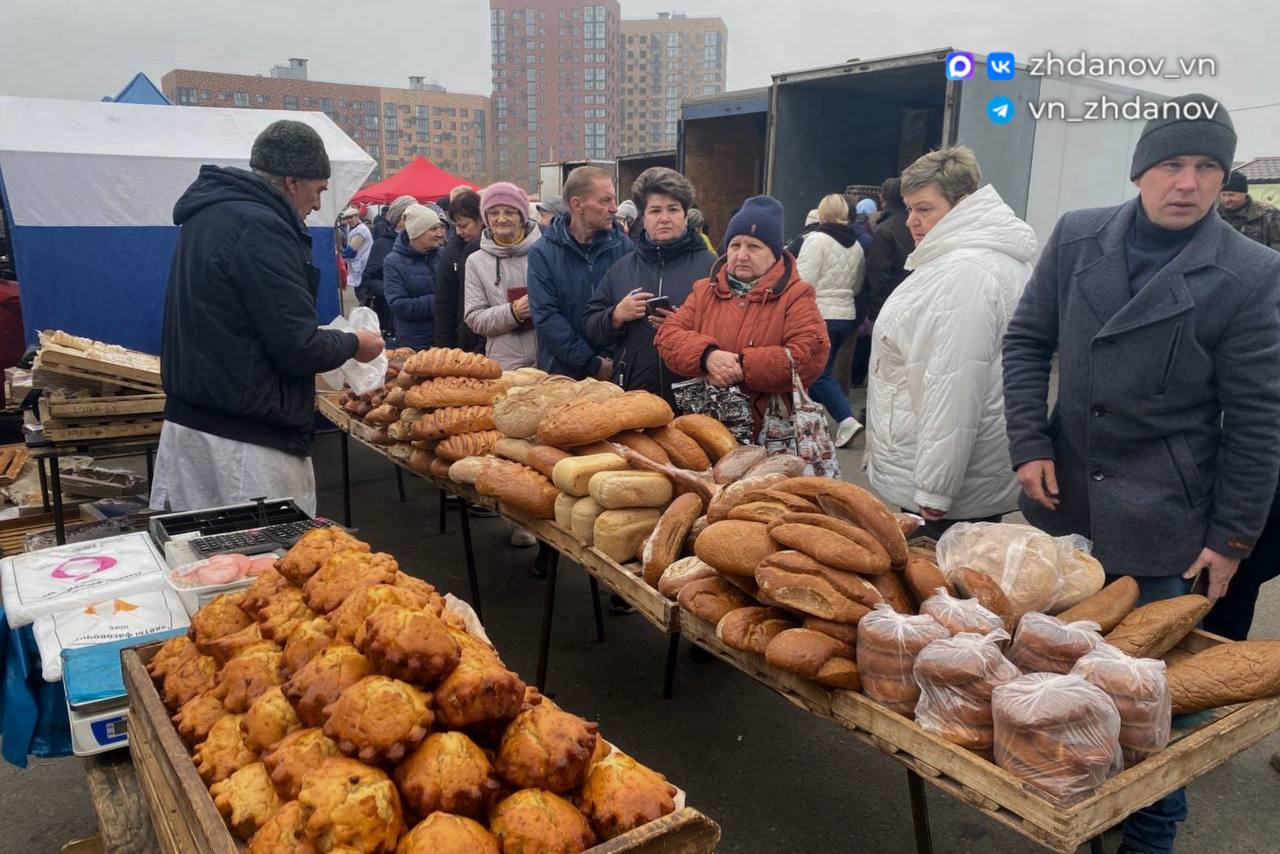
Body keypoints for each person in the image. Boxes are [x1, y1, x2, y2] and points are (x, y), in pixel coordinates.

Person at [1002, 94, 1280, 853]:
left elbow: (1258, 418)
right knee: (1054, 673)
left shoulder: (1251, 272)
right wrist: (1029, 442)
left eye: (1206, 167)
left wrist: (1232, 538)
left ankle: (1150, 833)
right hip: (1066, 504)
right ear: (1139, 172)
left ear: (1224, 177)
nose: (1187, 182)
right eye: (1171, 164)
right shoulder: (1077, 236)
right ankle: (1064, 802)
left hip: (1164, 520)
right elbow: (1026, 341)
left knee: (1145, 700)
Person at [152, 119, 384, 515]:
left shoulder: (209, 215)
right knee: (266, 552)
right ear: (292, 182)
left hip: (197, 426)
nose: (317, 205)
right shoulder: (261, 227)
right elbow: (298, 348)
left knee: (203, 551)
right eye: (319, 190)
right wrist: (353, 343)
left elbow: (241, 320)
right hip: (244, 445)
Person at [866, 146, 1036, 540]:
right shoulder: (978, 259)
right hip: (965, 470)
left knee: (937, 574)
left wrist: (935, 488)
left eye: (924, 209)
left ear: (961, 205)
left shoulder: (966, 272)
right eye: (909, 209)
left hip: (948, 487)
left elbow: (952, 384)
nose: (912, 221)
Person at [655, 195, 829, 436]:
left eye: (754, 247)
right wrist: (707, 356)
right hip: (709, 430)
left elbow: (809, 356)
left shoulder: (796, 296)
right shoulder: (704, 290)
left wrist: (742, 366)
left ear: (774, 253)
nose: (742, 255)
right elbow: (668, 335)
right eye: (735, 245)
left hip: (769, 435)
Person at [584, 167, 716, 403]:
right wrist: (616, 315)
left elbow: (731, 329)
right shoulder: (621, 269)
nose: (664, 218)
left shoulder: (711, 268)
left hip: (696, 398)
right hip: (636, 397)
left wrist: (683, 327)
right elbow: (591, 329)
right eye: (655, 210)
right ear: (643, 218)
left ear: (686, 215)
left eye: (673, 209)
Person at [527, 166, 632, 379]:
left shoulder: (624, 247)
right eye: (605, 201)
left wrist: (610, 361)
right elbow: (546, 317)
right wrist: (590, 363)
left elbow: (630, 311)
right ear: (577, 205)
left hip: (615, 370)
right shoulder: (543, 253)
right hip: (563, 373)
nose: (614, 208)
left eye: (614, 199)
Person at [795, 193, 865, 447]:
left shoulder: (815, 241)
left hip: (820, 314)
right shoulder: (856, 246)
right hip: (844, 315)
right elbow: (857, 285)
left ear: (821, 214)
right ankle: (818, 420)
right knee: (824, 370)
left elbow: (804, 282)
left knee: (816, 374)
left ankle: (846, 420)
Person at [465, 181, 541, 373]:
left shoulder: (545, 252)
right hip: (504, 365)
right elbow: (474, 317)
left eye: (509, 212)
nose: (501, 219)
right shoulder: (475, 261)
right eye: (493, 213)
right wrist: (513, 312)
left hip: (547, 359)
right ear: (485, 218)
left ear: (522, 217)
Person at [384, 204, 446, 350]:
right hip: (414, 343)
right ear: (416, 233)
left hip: (444, 338)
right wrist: (441, 302)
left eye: (440, 227)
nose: (440, 234)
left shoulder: (444, 255)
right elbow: (398, 304)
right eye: (433, 229)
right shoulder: (393, 262)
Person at [433, 189, 484, 351]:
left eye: (464, 226)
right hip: (466, 338)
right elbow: (444, 305)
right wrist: (444, 348)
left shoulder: (497, 248)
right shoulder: (452, 252)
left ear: (481, 219)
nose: (459, 232)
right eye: (456, 226)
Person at [362, 194, 415, 336]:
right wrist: (392, 292)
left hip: (415, 313)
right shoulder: (382, 244)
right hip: (389, 314)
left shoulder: (419, 242)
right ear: (400, 218)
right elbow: (368, 278)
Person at [864, 178, 915, 321]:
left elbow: (878, 274)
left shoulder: (884, 231)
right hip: (915, 304)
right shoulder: (919, 226)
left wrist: (874, 312)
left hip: (890, 308)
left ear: (883, 198)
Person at [1218, 169, 1280, 251]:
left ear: (1244, 194)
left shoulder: (1268, 215)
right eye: (1223, 195)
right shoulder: (1213, 215)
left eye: (1231, 195)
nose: (1226, 199)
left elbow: (1277, 246)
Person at [340, 206, 373, 298]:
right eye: (347, 218)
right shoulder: (358, 228)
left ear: (357, 216)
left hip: (363, 267)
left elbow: (351, 250)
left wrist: (340, 259)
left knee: (362, 295)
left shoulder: (360, 230)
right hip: (361, 266)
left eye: (351, 217)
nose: (349, 220)